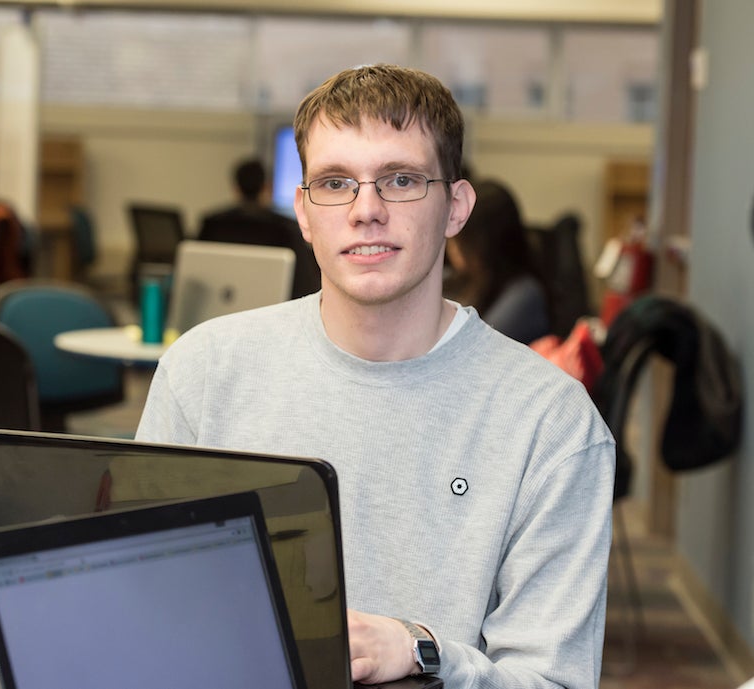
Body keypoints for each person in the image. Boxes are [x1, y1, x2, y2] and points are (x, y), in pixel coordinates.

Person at [136, 64, 614, 688]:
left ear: (455, 208)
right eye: (336, 183)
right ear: (304, 212)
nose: (367, 210)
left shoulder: (550, 421)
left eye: (401, 180)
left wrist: (422, 650)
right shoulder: (202, 373)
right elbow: (142, 614)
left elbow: (554, 681)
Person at [443, 178, 551, 344]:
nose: (451, 245)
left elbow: (475, 348)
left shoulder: (525, 295)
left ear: (485, 243)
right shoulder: (462, 279)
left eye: (460, 238)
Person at [198, 157, 321, 298]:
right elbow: (307, 286)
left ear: (236, 188)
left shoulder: (213, 224)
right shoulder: (286, 229)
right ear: (267, 187)